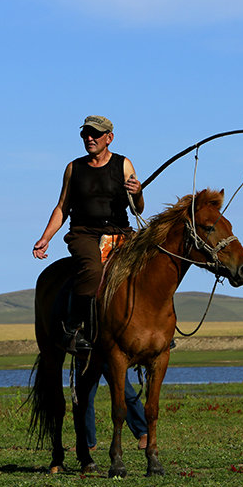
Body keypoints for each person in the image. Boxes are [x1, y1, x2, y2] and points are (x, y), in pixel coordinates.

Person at [32, 115, 144, 353]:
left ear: (109, 138)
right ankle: (71, 328)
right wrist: (45, 238)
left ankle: (158, 328)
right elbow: (62, 207)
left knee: (151, 267)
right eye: (85, 134)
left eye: (95, 134)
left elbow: (138, 209)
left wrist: (138, 192)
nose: (89, 138)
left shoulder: (124, 165)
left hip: (120, 232)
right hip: (84, 233)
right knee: (93, 270)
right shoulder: (74, 168)